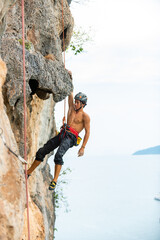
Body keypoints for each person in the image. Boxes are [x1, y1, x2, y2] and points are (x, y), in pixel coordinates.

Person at [27, 71, 90, 191]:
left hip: (70, 138)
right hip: (62, 134)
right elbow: (71, 91)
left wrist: (83, 147)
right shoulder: (71, 108)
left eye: (78, 103)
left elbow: (87, 132)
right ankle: (29, 172)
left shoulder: (85, 117)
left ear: (83, 104)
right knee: (42, 151)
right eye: (75, 102)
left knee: (58, 156)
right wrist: (70, 77)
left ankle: (54, 181)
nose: (75, 104)